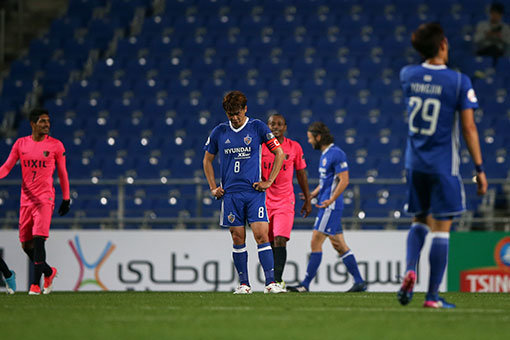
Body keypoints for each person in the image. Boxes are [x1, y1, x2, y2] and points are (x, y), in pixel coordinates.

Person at [398, 23, 488, 309]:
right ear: (443, 45)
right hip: (442, 165)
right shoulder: (459, 81)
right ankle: (432, 296)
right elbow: (469, 128)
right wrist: (480, 169)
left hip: (414, 163)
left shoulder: (407, 75)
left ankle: (411, 267)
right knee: (441, 229)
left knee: (419, 219)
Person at [203, 90, 286, 294]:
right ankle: (244, 284)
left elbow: (279, 153)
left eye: (238, 113)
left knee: (261, 235)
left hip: (254, 192)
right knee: (237, 237)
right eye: (230, 114)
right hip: (230, 195)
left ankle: (270, 283)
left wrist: (269, 181)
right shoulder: (219, 132)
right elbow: (207, 160)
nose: (235, 117)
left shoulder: (257, 127)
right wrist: (213, 187)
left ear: (245, 109)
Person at [287, 122, 367, 293]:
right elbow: (326, 182)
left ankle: (305, 284)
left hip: (329, 206)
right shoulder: (325, 155)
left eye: (310, 138)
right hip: (326, 203)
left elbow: (344, 180)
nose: (309, 142)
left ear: (318, 137)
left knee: (315, 240)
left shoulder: (336, 153)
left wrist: (331, 200)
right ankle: (359, 281)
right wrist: (312, 195)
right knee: (339, 244)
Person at [0, 108, 71, 295]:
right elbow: (7, 167)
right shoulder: (20, 144)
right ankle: (49, 272)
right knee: (26, 245)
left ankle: (34, 285)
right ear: (33, 124)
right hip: (26, 201)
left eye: (48, 121)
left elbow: (63, 173)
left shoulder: (56, 145)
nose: (47, 124)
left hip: (45, 200)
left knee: (39, 241)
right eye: (42, 121)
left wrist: (66, 197)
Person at [261, 114, 312, 290]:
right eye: (272, 124)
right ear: (267, 126)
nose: (275, 127)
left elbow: (301, 173)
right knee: (266, 242)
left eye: (279, 124)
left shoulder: (294, 147)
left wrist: (307, 198)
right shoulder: (260, 147)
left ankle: (276, 280)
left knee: (280, 239)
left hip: (285, 201)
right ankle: (271, 279)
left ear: (285, 127)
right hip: (264, 200)